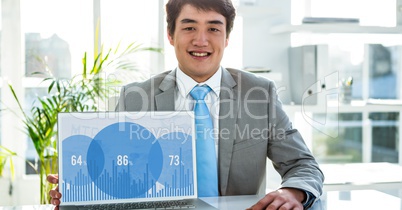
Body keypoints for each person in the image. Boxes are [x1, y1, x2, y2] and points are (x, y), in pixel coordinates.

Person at [48, 0, 324, 209]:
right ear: (171, 35)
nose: (201, 40)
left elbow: (303, 164)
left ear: (227, 38)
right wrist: (80, 187)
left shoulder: (259, 93)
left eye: (213, 28)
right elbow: (116, 173)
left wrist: (293, 192)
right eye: (189, 27)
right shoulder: (135, 96)